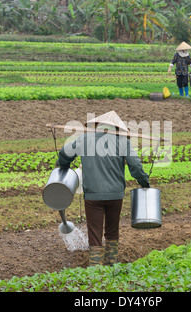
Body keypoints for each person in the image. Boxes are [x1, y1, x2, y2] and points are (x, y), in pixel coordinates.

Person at [56, 111, 150, 266]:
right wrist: (144, 182)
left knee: (94, 232)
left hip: (93, 196)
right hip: (115, 195)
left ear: (97, 126)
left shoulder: (84, 139)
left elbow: (64, 153)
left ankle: (95, 267)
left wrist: (63, 165)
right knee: (112, 230)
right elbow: (135, 165)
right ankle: (111, 262)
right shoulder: (122, 142)